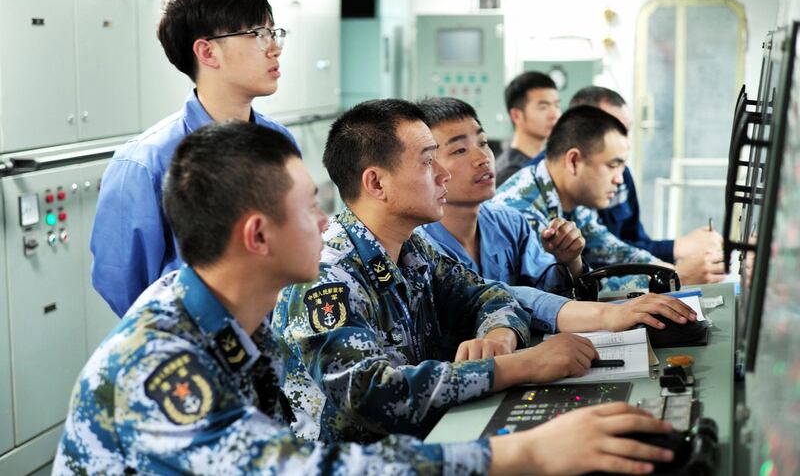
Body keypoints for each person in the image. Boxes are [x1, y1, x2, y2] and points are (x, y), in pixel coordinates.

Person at [56, 122, 677, 476]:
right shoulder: (160, 362)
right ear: (258, 235)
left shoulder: (230, 316)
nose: (326, 223)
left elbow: (483, 294)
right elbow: (305, 468)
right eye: (308, 208)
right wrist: (526, 453)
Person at [273, 99, 604, 445]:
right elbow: (371, 395)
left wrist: (499, 335)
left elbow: (489, 295)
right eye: (428, 161)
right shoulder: (326, 276)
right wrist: (521, 366)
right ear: (376, 183)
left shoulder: (413, 249)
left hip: (421, 448)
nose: (443, 174)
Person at [90, 0, 296, 317]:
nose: (273, 47)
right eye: (258, 34)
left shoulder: (279, 142)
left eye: (274, 33)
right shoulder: (146, 161)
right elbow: (125, 285)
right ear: (206, 51)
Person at [417, 97, 696, 334]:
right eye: (460, 149)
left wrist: (570, 260)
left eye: (483, 142)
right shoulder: (418, 245)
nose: (483, 158)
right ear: (427, 165)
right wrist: (608, 315)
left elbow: (554, 288)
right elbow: (494, 296)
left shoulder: (507, 223)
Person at [569, 86, 725, 284]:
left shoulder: (621, 174)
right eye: (614, 130)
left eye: (626, 131)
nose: (625, 142)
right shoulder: (538, 201)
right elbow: (572, 288)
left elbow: (617, 249)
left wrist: (674, 270)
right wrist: (676, 272)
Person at [493, 105, 665, 284]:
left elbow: (610, 249)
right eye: (613, 166)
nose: (619, 180)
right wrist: (659, 281)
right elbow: (559, 294)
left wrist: (663, 269)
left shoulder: (570, 196)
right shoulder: (521, 213)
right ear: (574, 161)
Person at [494, 71, 561, 186]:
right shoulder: (511, 173)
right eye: (543, 107)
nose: (554, 114)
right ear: (516, 116)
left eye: (556, 105)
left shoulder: (544, 162)